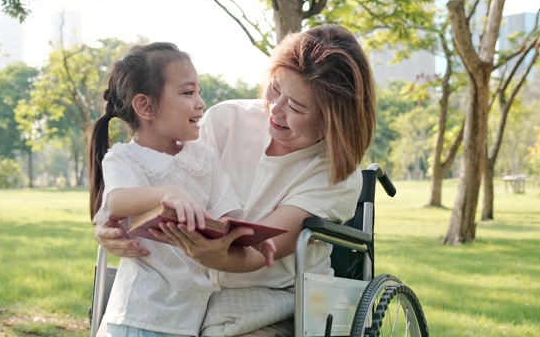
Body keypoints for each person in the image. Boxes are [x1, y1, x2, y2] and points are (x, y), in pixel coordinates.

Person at [95, 24, 377, 336]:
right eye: (275, 89)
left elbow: (259, 251)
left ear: (334, 119)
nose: (276, 111)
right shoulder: (225, 120)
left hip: (272, 300)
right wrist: (111, 222)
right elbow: (153, 174)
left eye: (296, 107)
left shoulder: (335, 175)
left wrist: (215, 255)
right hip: (190, 290)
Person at [87, 42, 274, 337]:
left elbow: (228, 215)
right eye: (188, 93)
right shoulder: (125, 158)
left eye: (198, 91)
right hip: (139, 316)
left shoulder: (204, 158)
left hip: (190, 319)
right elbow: (117, 200)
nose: (200, 102)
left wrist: (250, 238)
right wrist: (165, 194)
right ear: (146, 106)